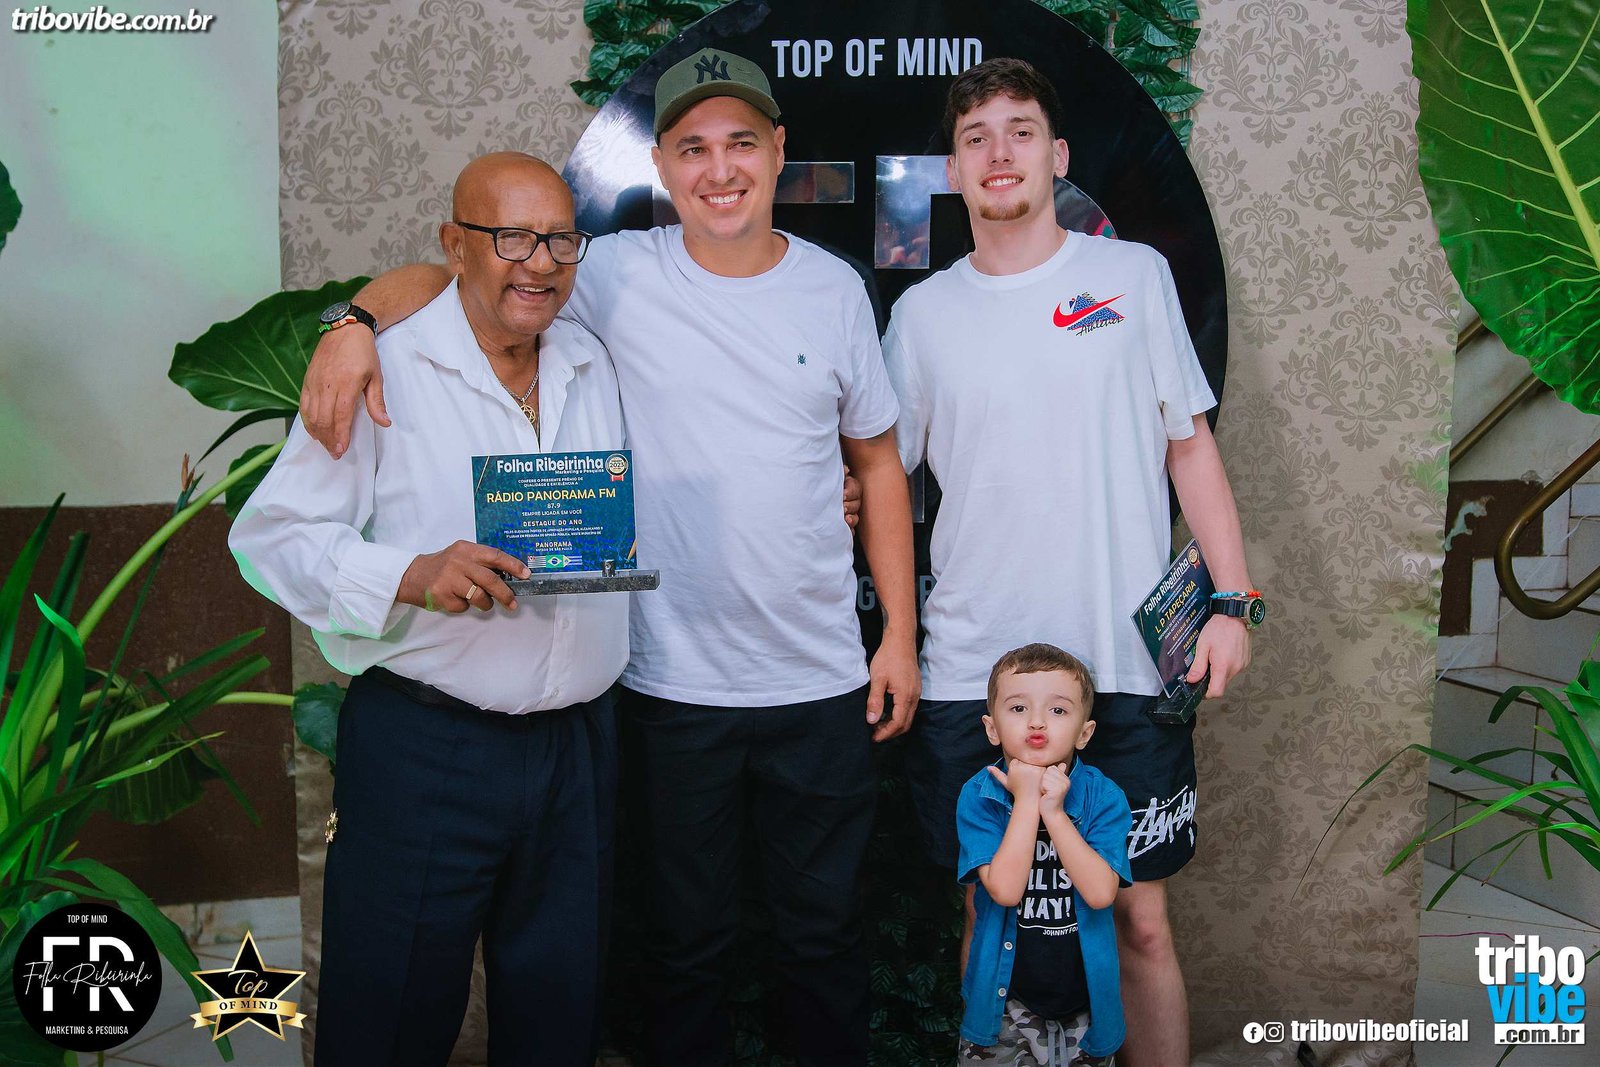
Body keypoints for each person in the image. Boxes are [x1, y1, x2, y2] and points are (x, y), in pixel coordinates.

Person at [291, 48, 918, 1067]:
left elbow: (876, 463)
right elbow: (455, 277)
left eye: (741, 143)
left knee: (823, 943)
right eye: (693, 148)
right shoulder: (608, 274)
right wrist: (351, 323)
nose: (720, 169)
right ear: (661, 166)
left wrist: (895, 634)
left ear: (778, 151)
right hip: (667, 686)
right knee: (682, 949)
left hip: (813, 679)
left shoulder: (832, 288)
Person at [885, 58, 1259, 1066]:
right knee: (990, 917)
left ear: (1056, 155)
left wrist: (1233, 602)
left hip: (1123, 664)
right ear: (953, 170)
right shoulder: (921, 317)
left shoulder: (1130, 277)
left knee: (1139, 922)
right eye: (974, 137)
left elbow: (1189, 446)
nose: (997, 151)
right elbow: (878, 482)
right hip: (974, 674)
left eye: (1019, 130)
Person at [230, 153, 626, 1066]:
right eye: (512, 238)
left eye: (560, 239)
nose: (540, 262)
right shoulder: (385, 370)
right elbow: (272, 539)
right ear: (456, 244)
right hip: (428, 749)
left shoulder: (591, 357)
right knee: (389, 1020)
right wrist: (410, 574)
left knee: (560, 1021)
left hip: (579, 754)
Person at [958, 644, 1130, 1067]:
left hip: (1086, 1005)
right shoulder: (979, 796)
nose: (1036, 722)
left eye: (1057, 710)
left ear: (1084, 733)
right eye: (1018, 708)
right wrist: (1026, 800)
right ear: (992, 728)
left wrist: (1053, 812)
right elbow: (1005, 890)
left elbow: (1100, 893)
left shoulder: (1104, 797)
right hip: (1003, 1005)